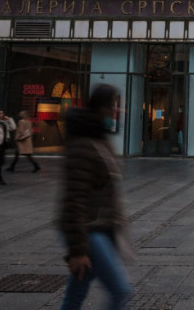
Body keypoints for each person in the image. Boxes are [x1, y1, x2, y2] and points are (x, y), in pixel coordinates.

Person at [58, 84, 133, 310]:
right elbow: (74, 199)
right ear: (102, 108)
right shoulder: (83, 144)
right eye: (115, 106)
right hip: (88, 231)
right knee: (121, 290)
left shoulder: (100, 140)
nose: (118, 112)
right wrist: (78, 249)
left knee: (75, 296)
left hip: (101, 228)